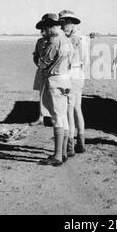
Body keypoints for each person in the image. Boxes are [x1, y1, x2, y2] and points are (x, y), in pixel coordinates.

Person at [38, 13, 74, 166]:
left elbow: (42, 64)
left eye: (45, 28)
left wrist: (37, 58)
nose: (43, 31)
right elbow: (71, 63)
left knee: (57, 118)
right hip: (66, 79)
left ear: (50, 26)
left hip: (54, 80)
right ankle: (63, 152)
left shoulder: (54, 42)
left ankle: (58, 156)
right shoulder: (67, 41)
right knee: (64, 117)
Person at [59, 10, 86, 155]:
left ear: (69, 23)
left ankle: (70, 145)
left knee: (68, 111)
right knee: (77, 109)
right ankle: (81, 143)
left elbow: (64, 60)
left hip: (70, 75)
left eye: (63, 24)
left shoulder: (69, 39)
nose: (62, 27)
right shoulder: (83, 37)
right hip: (79, 75)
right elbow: (86, 61)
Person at [31, 17, 51, 125]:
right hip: (42, 71)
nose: (42, 32)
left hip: (53, 73)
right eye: (41, 30)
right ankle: (41, 117)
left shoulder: (55, 42)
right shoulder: (39, 42)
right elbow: (35, 56)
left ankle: (52, 117)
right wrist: (40, 66)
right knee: (42, 94)